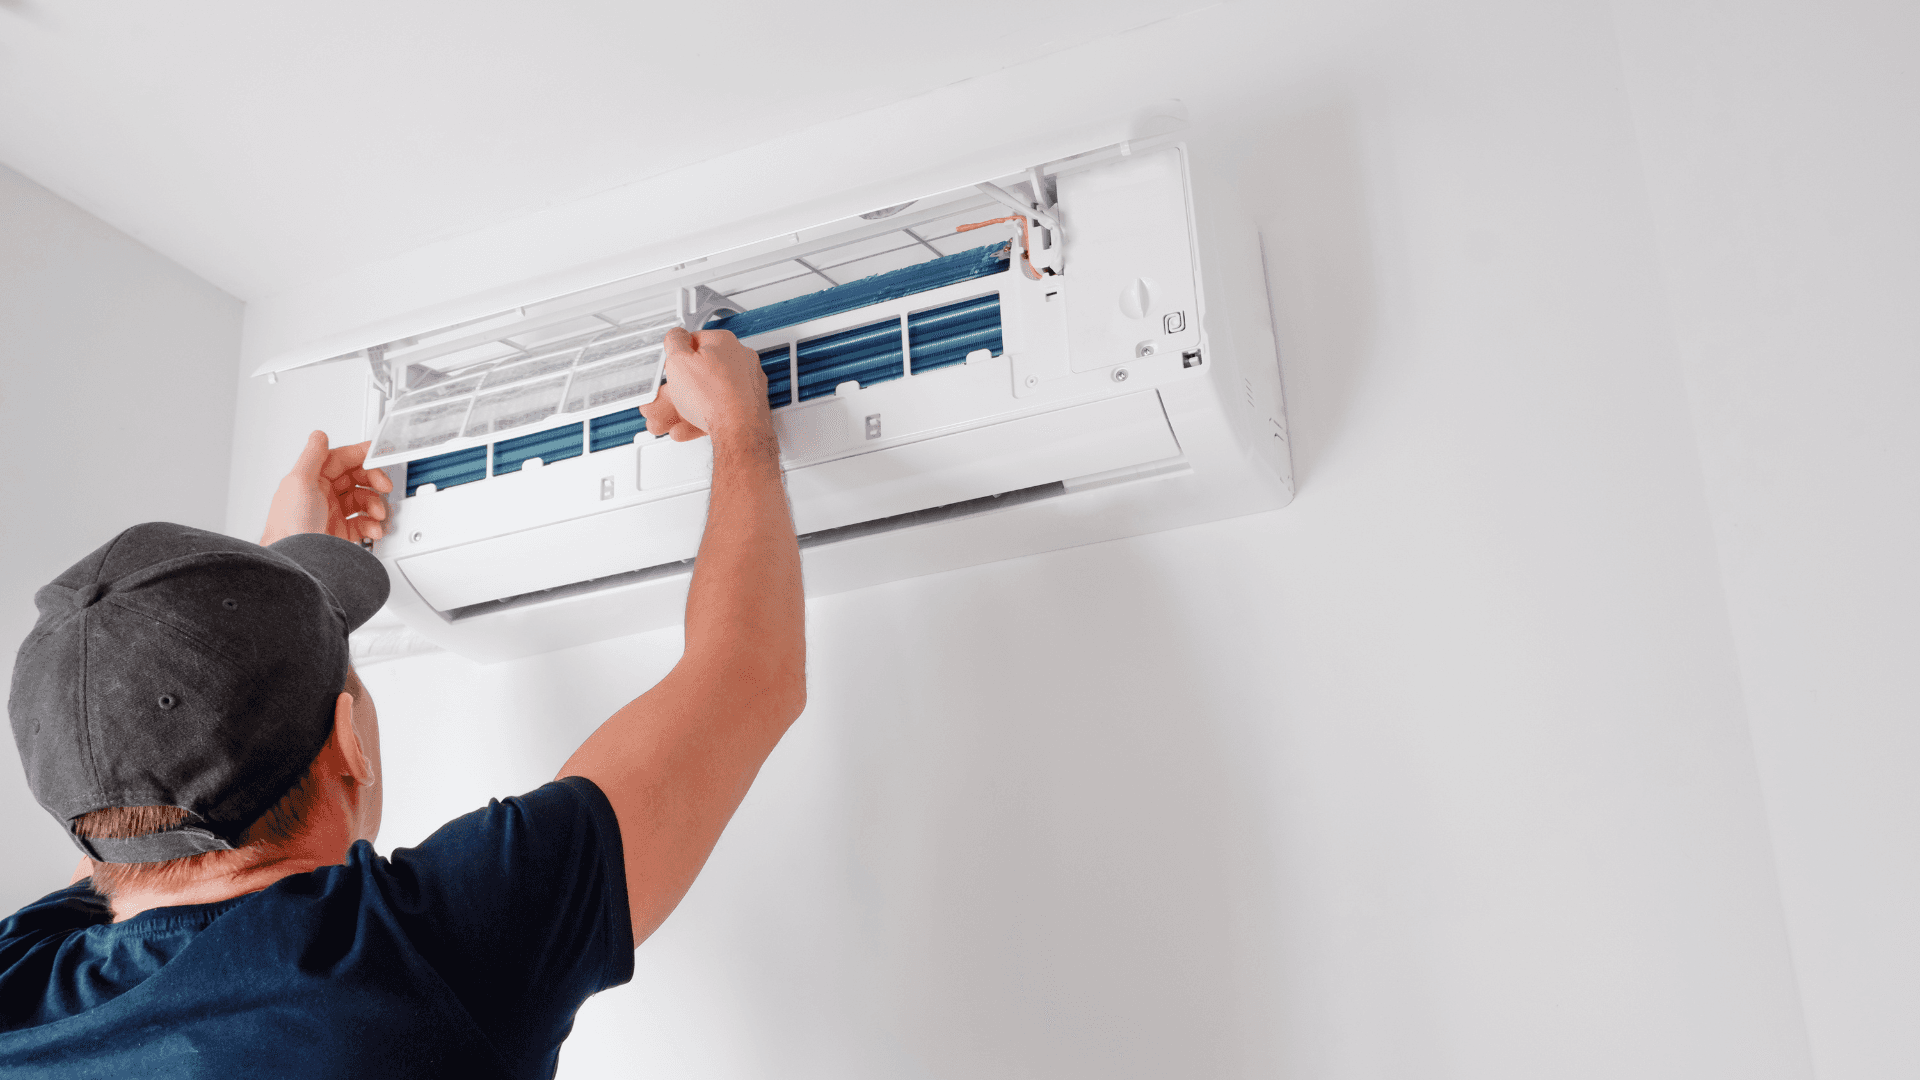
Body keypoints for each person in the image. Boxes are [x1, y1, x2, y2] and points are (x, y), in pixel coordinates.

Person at [0, 328, 805, 1077]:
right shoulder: (424, 955)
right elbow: (747, 674)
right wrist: (739, 423)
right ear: (349, 743)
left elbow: (137, 803)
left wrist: (279, 584)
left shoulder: (20, 983)